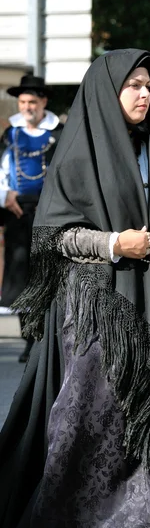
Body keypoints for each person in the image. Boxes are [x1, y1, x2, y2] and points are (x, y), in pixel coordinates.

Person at [0, 49, 150, 528]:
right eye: (133, 85)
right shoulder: (75, 156)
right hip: (97, 308)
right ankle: (89, 516)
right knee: (96, 417)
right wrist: (116, 243)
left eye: (148, 86)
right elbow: (54, 235)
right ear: (105, 92)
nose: (145, 94)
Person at [0, 75, 64, 361]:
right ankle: (27, 338)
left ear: (43, 103)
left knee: (47, 273)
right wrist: (5, 195)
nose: (26, 107)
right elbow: (1, 168)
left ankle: (47, 338)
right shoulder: (10, 134)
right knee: (20, 273)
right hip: (17, 211)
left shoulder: (58, 133)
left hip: (50, 212)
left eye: (32, 102)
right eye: (23, 102)